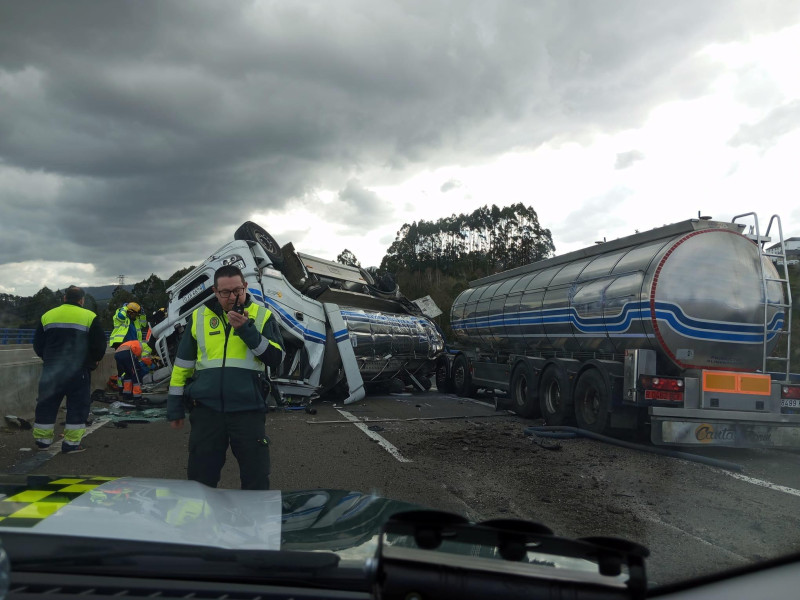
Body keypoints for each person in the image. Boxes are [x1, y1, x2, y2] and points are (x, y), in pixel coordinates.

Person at [167, 265, 285, 490]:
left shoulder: (263, 316)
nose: (232, 297)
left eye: (237, 291)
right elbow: (182, 366)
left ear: (245, 287)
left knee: (256, 480)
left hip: (248, 411)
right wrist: (174, 407)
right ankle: (203, 524)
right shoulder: (199, 317)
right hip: (207, 413)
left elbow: (276, 358)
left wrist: (247, 330)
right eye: (225, 292)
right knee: (200, 481)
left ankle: (253, 525)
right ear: (214, 291)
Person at [32, 285, 106, 453]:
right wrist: (93, 361)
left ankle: (43, 441)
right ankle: (72, 444)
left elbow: (37, 344)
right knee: (77, 405)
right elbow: (99, 345)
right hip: (77, 371)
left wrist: (49, 359)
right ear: (82, 300)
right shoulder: (89, 316)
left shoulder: (48, 316)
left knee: (47, 403)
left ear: (64, 298)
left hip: (52, 369)